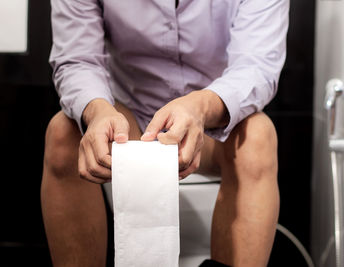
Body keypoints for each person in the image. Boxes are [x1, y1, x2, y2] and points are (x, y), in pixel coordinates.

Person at [41, 0, 289, 266]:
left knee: (258, 135)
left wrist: (200, 107)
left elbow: (257, 66)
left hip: (209, 124)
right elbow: (78, 59)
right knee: (63, 133)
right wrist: (97, 111)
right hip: (128, 119)